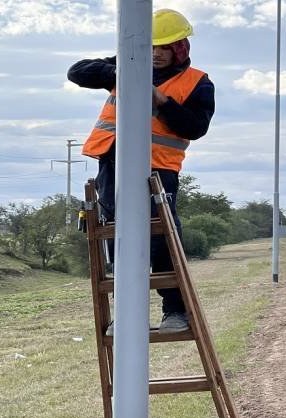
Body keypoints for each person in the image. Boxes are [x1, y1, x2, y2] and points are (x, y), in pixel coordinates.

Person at [67, 9, 215, 334]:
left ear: (180, 48)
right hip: (113, 164)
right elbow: (76, 72)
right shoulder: (127, 66)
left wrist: (162, 101)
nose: (156, 53)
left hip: (159, 170)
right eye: (151, 46)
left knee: (161, 238)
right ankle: (128, 313)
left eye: (164, 47)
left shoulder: (197, 82)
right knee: (118, 235)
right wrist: (120, 71)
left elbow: (196, 126)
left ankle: (175, 312)